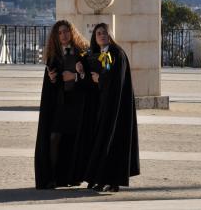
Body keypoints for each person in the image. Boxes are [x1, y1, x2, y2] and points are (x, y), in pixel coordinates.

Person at [34, 20, 91, 189]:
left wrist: (75, 77)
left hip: (77, 103)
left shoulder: (82, 54)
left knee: (73, 140)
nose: (63, 35)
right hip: (60, 104)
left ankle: (72, 176)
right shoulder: (53, 56)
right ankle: (52, 176)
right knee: (54, 137)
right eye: (59, 32)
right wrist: (52, 80)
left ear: (71, 33)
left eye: (66, 31)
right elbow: (51, 83)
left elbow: (88, 80)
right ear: (55, 37)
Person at [84, 22, 140, 192]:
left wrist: (99, 80)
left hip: (116, 107)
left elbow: (114, 78)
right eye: (98, 33)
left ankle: (108, 181)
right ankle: (102, 180)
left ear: (110, 35)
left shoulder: (116, 53)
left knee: (112, 141)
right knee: (105, 141)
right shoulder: (100, 53)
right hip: (104, 104)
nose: (101, 35)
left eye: (104, 32)